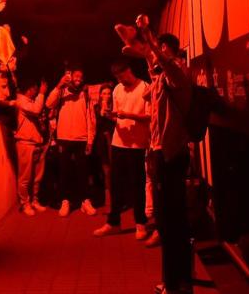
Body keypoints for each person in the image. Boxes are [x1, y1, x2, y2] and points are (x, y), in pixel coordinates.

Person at [132, 17, 194, 294]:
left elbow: (163, 63)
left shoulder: (179, 73)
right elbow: (153, 63)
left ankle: (175, 284)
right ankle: (176, 281)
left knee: (173, 224)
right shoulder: (159, 80)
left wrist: (147, 34)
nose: (157, 56)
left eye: (162, 51)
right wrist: (140, 44)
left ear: (172, 53)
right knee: (168, 223)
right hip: (160, 155)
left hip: (172, 156)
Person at [93, 60, 152, 239]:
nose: (120, 80)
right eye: (117, 77)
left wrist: (129, 115)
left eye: (121, 76)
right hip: (118, 142)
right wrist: (110, 116)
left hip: (138, 144)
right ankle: (113, 223)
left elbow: (150, 116)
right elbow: (119, 116)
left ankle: (140, 223)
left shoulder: (145, 87)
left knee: (137, 184)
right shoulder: (118, 89)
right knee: (116, 184)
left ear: (129, 71)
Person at [45, 65, 97, 217]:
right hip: (64, 138)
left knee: (83, 171)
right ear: (70, 77)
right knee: (64, 172)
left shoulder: (86, 94)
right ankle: (65, 200)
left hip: (82, 139)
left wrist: (90, 140)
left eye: (81, 77)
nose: (78, 79)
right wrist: (59, 85)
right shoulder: (61, 91)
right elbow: (48, 104)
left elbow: (91, 118)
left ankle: (84, 201)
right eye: (76, 76)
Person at [9, 77, 49, 216]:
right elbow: (36, 110)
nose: (37, 91)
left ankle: (34, 201)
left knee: (37, 177)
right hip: (25, 143)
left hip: (36, 142)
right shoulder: (21, 101)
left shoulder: (30, 101)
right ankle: (25, 203)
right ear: (30, 88)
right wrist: (42, 94)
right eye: (36, 89)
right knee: (25, 177)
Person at [90, 83, 115, 205]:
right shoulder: (96, 107)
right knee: (105, 169)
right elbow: (100, 116)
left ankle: (115, 198)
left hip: (114, 140)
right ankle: (107, 199)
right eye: (104, 93)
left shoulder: (115, 106)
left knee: (114, 169)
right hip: (101, 141)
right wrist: (104, 106)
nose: (107, 95)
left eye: (109, 93)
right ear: (100, 95)